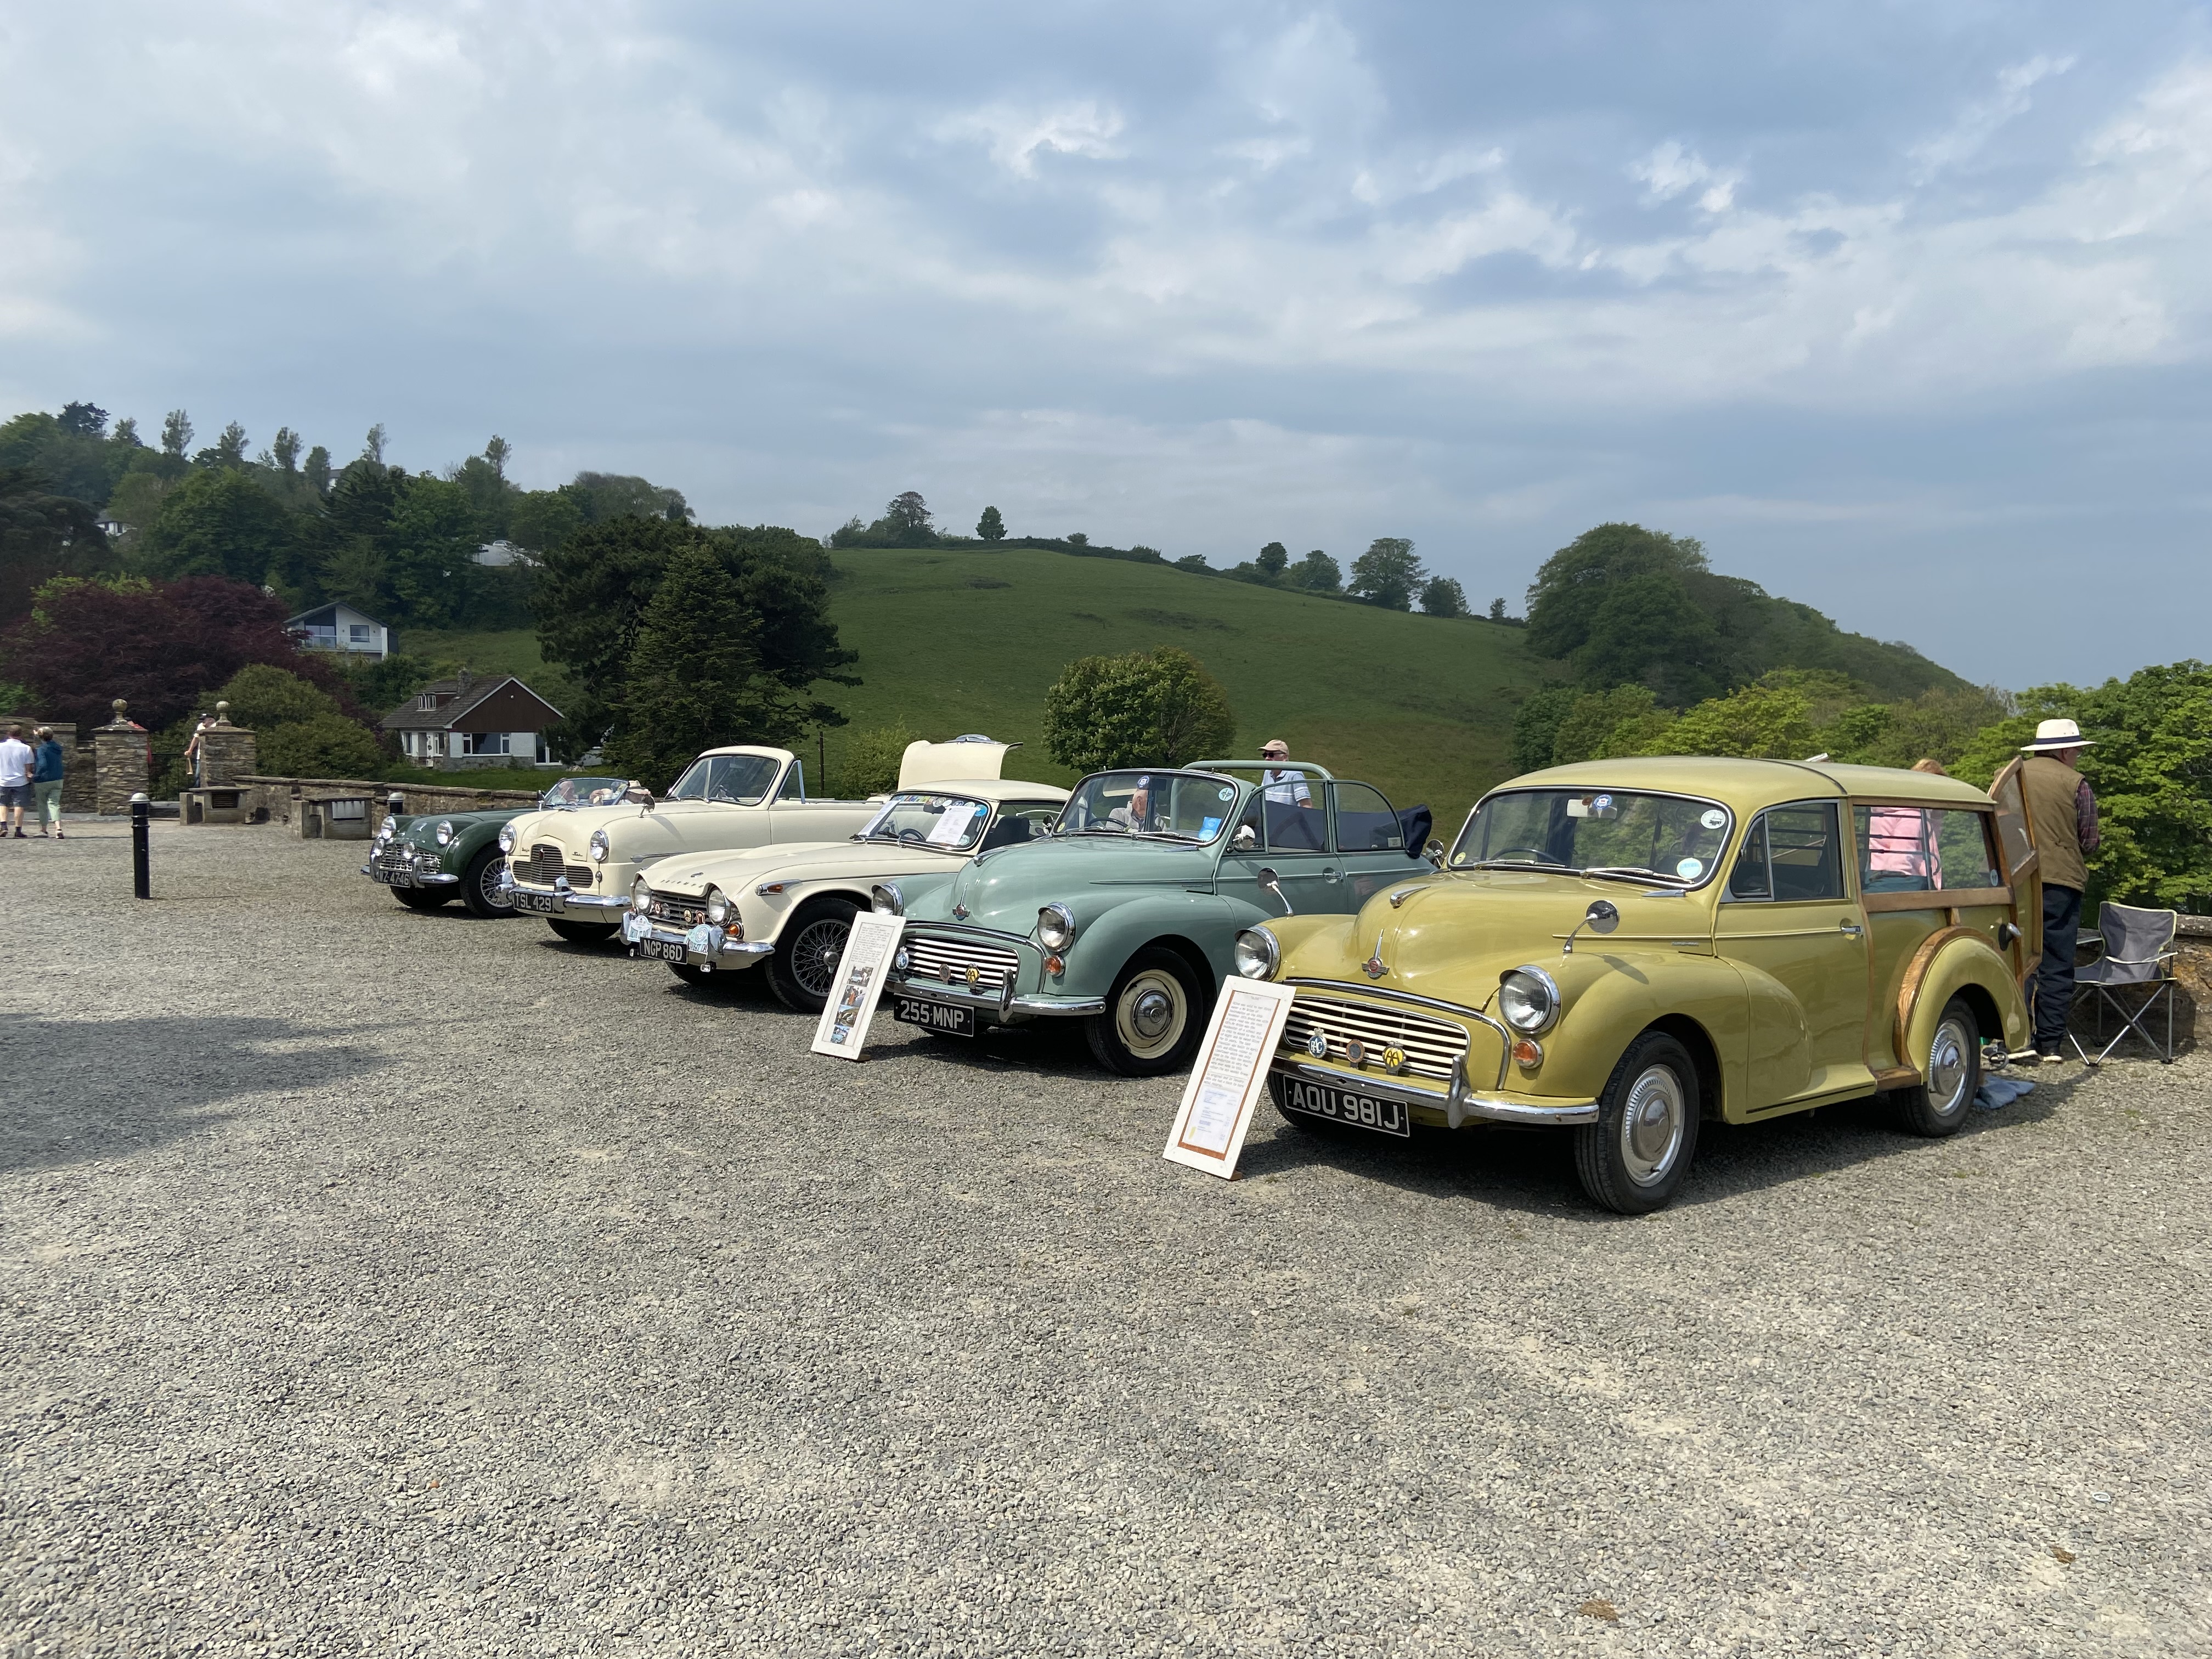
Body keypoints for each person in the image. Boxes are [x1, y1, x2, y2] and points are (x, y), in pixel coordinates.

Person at [2019, 718, 2101, 1063]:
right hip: (2061, 881)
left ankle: (2015, 1039)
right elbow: (2090, 840)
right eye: (2078, 749)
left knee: (2017, 960)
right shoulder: (2077, 784)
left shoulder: (2010, 776)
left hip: (2016, 880)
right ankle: (2049, 1044)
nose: (2080, 755)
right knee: (2056, 963)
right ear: (2065, 750)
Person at [30, 726, 65, 839]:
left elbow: (43, 765)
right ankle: (58, 828)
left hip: (43, 780)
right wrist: (38, 735)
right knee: (54, 804)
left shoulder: (42, 750)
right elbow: (47, 740)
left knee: (42, 805)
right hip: (58, 779)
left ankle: (44, 830)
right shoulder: (58, 748)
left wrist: (36, 776)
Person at [1259, 739, 1313, 809]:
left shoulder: (1295, 775)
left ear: (1284, 757)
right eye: (1265, 755)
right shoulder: (1267, 772)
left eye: (1271, 755)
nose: (1267, 758)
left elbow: (1306, 805)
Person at [0, 723, 32, 839]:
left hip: (3, 780)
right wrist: (29, 778)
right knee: (19, 805)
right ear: (21, 735)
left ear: (8, 734)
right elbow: (28, 768)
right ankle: (18, 830)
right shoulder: (26, 749)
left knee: (3, 803)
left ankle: (3, 826)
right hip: (20, 781)